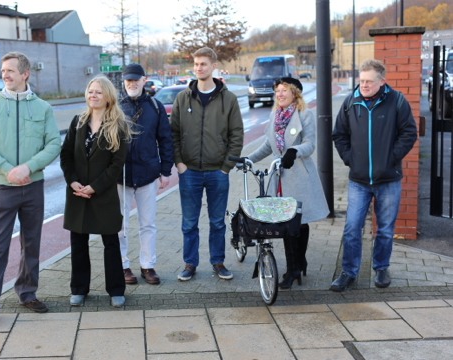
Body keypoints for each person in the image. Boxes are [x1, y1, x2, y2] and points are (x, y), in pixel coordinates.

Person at [0, 52, 61, 331]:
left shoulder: (43, 108)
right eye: (2, 70)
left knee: (31, 244)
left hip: (33, 187)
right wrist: (9, 168)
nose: (5, 75)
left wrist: (28, 167)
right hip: (2, 187)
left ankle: (27, 293)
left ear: (25, 74)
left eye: (10, 70)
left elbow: (54, 144)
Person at [331, 59, 417, 292]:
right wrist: (350, 159)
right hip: (358, 181)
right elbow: (339, 134)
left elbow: (409, 132)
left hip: (388, 180)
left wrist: (392, 157)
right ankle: (348, 272)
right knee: (352, 228)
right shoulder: (351, 101)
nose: (364, 85)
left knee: (385, 229)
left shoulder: (397, 101)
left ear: (382, 81)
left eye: (369, 81)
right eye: (362, 80)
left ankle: (381, 268)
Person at [245, 77, 329, 289]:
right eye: (277, 91)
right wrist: (249, 159)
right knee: (285, 223)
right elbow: (269, 144)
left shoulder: (304, 114)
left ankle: (295, 267)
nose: (280, 94)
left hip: (299, 175)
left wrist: (294, 151)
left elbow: (310, 144)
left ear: (295, 93)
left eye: (284, 90)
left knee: (300, 221)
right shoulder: (275, 115)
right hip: (279, 178)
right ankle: (296, 266)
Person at [170, 47, 244, 281]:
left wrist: (226, 167)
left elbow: (237, 135)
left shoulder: (228, 99)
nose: (199, 68)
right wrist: (179, 163)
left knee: (217, 222)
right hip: (189, 171)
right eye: (196, 64)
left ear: (214, 66)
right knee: (189, 222)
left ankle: (218, 262)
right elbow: (172, 133)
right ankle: (190, 264)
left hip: (217, 172)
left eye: (203, 64)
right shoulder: (183, 98)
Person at [60, 75, 132, 307]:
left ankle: (116, 290)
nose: (93, 95)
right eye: (91, 91)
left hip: (103, 195)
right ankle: (79, 289)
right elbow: (66, 156)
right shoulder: (77, 122)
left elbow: (116, 164)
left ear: (108, 96)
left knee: (111, 244)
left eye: (98, 92)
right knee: (78, 244)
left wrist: (95, 187)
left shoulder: (118, 126)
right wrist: (72, 182)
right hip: (77, 193)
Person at [117, 63, 173, 285]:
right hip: (120, 176)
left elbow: (165, 140)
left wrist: (166, 171)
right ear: (124, 82)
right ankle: (122, 266)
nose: (131, 83)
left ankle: (148, 266)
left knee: (148, 223)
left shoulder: (155, 107)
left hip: (148, 173)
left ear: (143, 80)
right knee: (120, 226)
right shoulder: (115, 107)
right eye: (128, 80)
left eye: (135, 79)